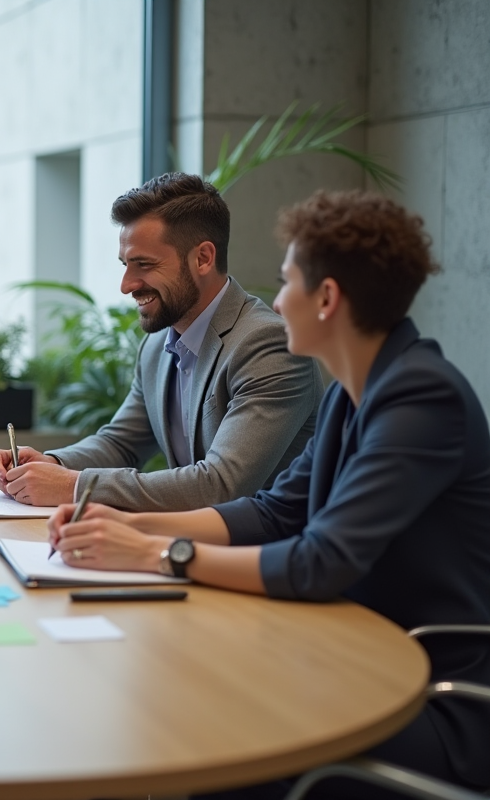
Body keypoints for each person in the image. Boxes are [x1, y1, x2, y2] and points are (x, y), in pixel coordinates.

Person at [48, 190, 490, 798]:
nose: (276, 302)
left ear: (327, 298)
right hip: (351, 657)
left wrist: (156, 555)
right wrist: (113, 525)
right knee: (180, 702)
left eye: (287, 283)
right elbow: (273, 511)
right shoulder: (353, 394)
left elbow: (319, 561)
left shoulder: (420, 398)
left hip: (426, 696)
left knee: (200, 729)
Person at [0, 172, 323, 511]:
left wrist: (75, 487)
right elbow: (121, 444)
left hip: (262, 555)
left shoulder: (268, 345)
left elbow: (222, 485)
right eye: (125, 265)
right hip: (187, 545)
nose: (126, 284)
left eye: (144, 265)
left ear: (203, 258)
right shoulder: (157, 346)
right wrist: (51, 465)